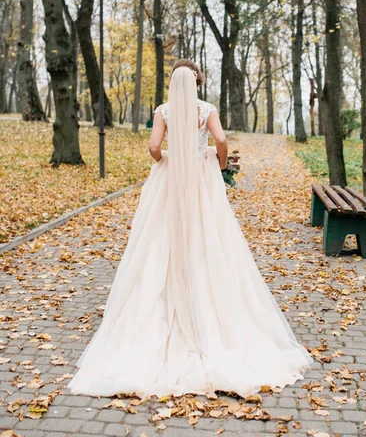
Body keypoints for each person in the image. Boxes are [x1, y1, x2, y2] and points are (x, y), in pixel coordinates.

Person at [68, 59, 312, 398]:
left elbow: (154, 148)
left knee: (159, 240)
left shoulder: (163, 111)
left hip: (170, 180)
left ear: (172, 83)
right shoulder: (206, 109)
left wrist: (166, 160)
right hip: (200, 179)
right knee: (208, 236)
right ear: (196, 81)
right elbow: (222, 140)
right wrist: (219, 163)